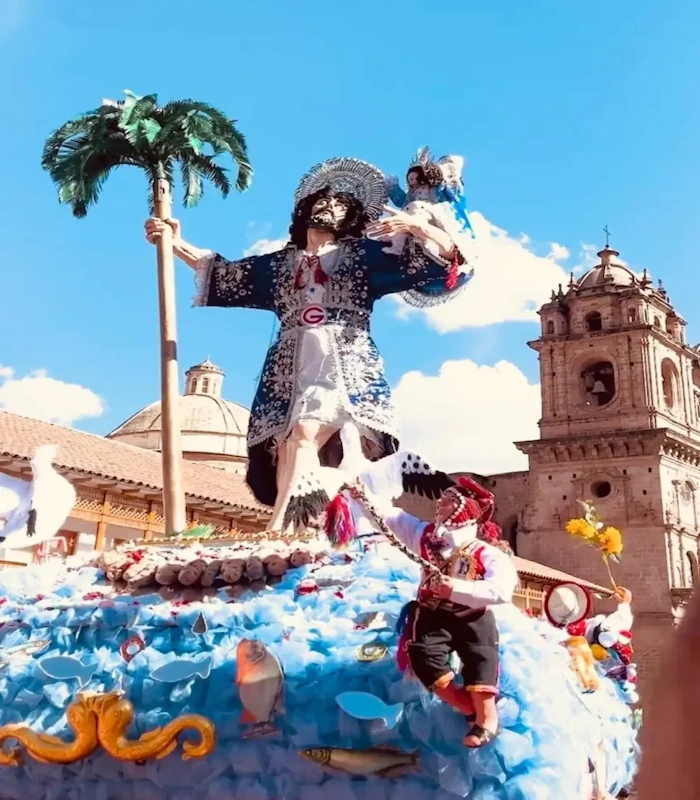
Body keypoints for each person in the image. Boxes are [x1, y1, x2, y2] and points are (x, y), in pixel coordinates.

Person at [145, 157, 471, 533]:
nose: (328, 208)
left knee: (308, 433)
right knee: (289, 446)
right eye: (322, 202)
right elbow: (224, 272)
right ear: (304, 211)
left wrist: (416, 224)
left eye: (340, 206)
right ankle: (306, 528)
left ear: (351, 218)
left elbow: (446, 258)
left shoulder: (366, 258)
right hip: (288, 370)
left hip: (346, 365)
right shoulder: (280, 265)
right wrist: (172, 240)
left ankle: (282, 529)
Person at [357, 475, 518, 747]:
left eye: (451, 501)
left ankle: (488, 717)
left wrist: (454, 589)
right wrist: (362, 494)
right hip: (432, 612)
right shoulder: (424, 536)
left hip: (473, 615)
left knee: (481, 657)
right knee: (420, 654)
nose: (440, 503)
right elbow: (393, 517)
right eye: (442, 498)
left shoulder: (484, 552)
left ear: (464, 509)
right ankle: (466, 706)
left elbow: (502, 590)